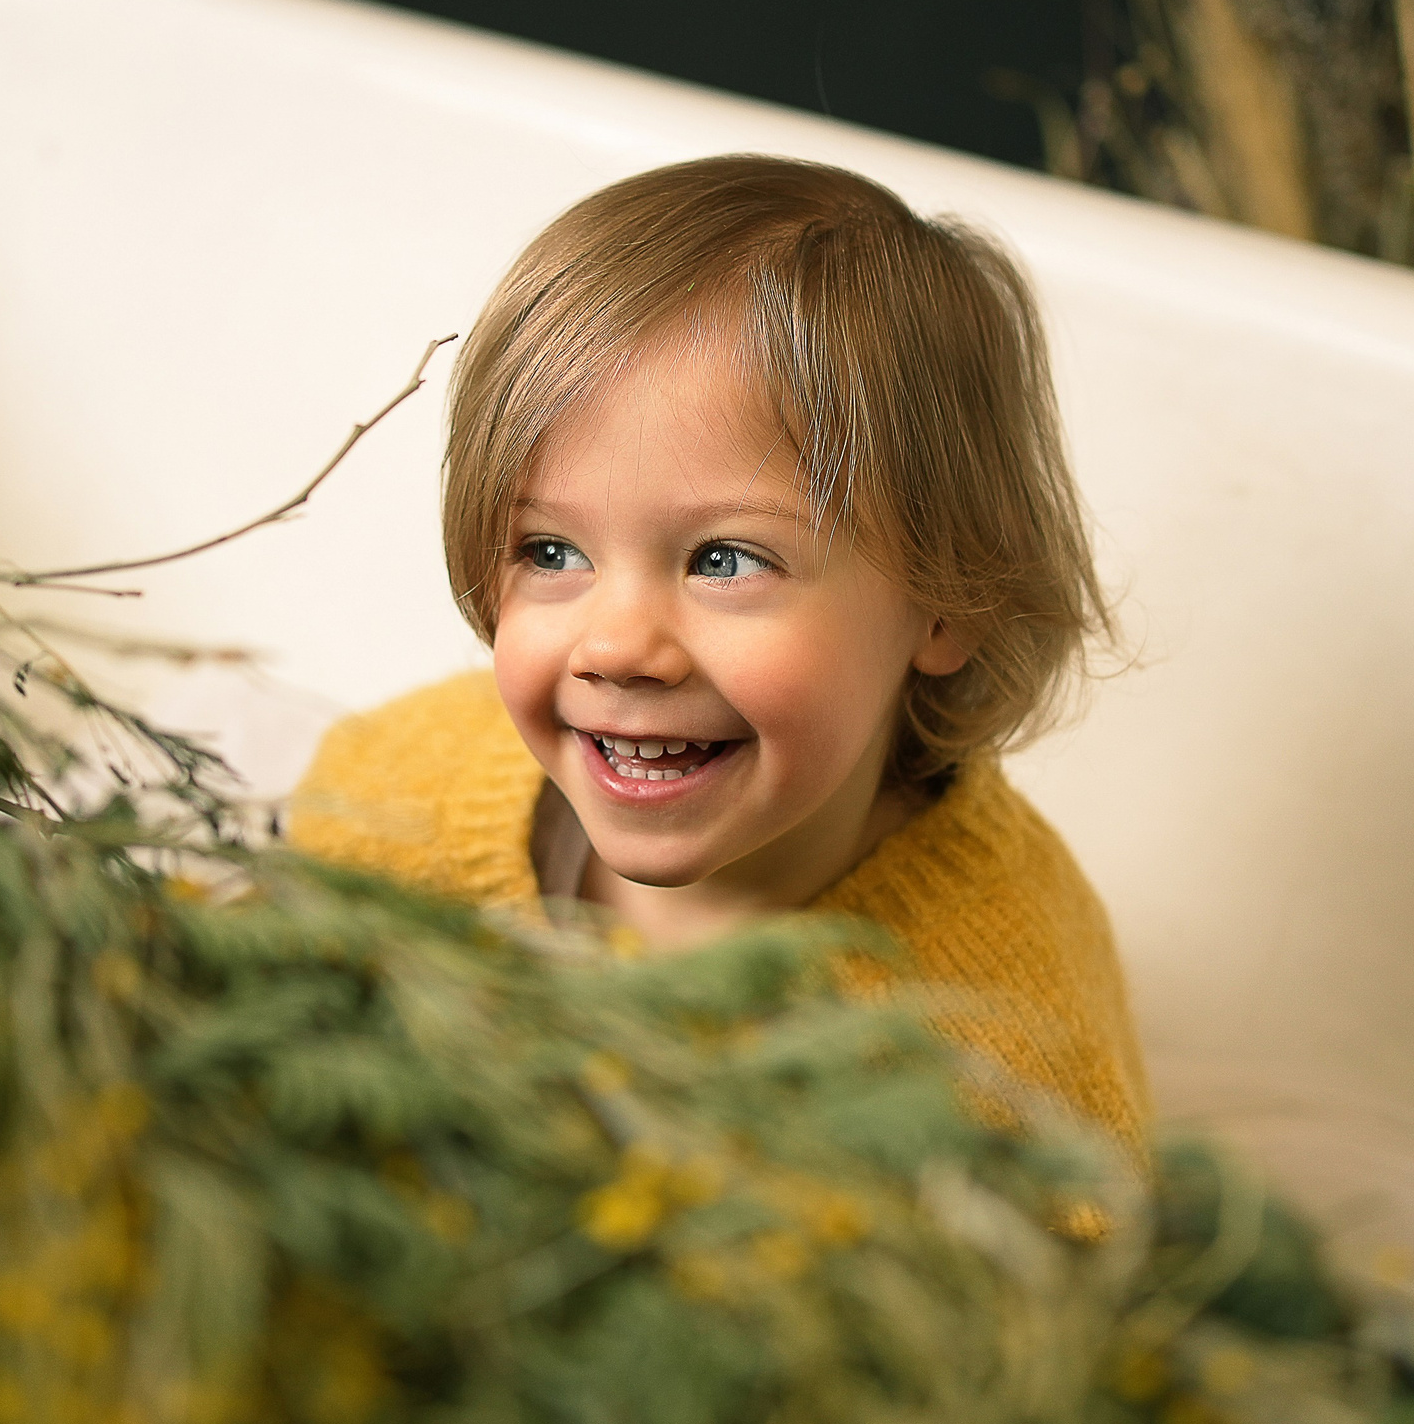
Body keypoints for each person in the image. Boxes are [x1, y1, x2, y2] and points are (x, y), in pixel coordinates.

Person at [288, 154, 1147, 1152]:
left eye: (724, 560)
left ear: (945, 604)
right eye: (551, 551)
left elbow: (1072, 1271)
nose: (617, 648)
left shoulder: (989, 1050)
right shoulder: (396, 805)